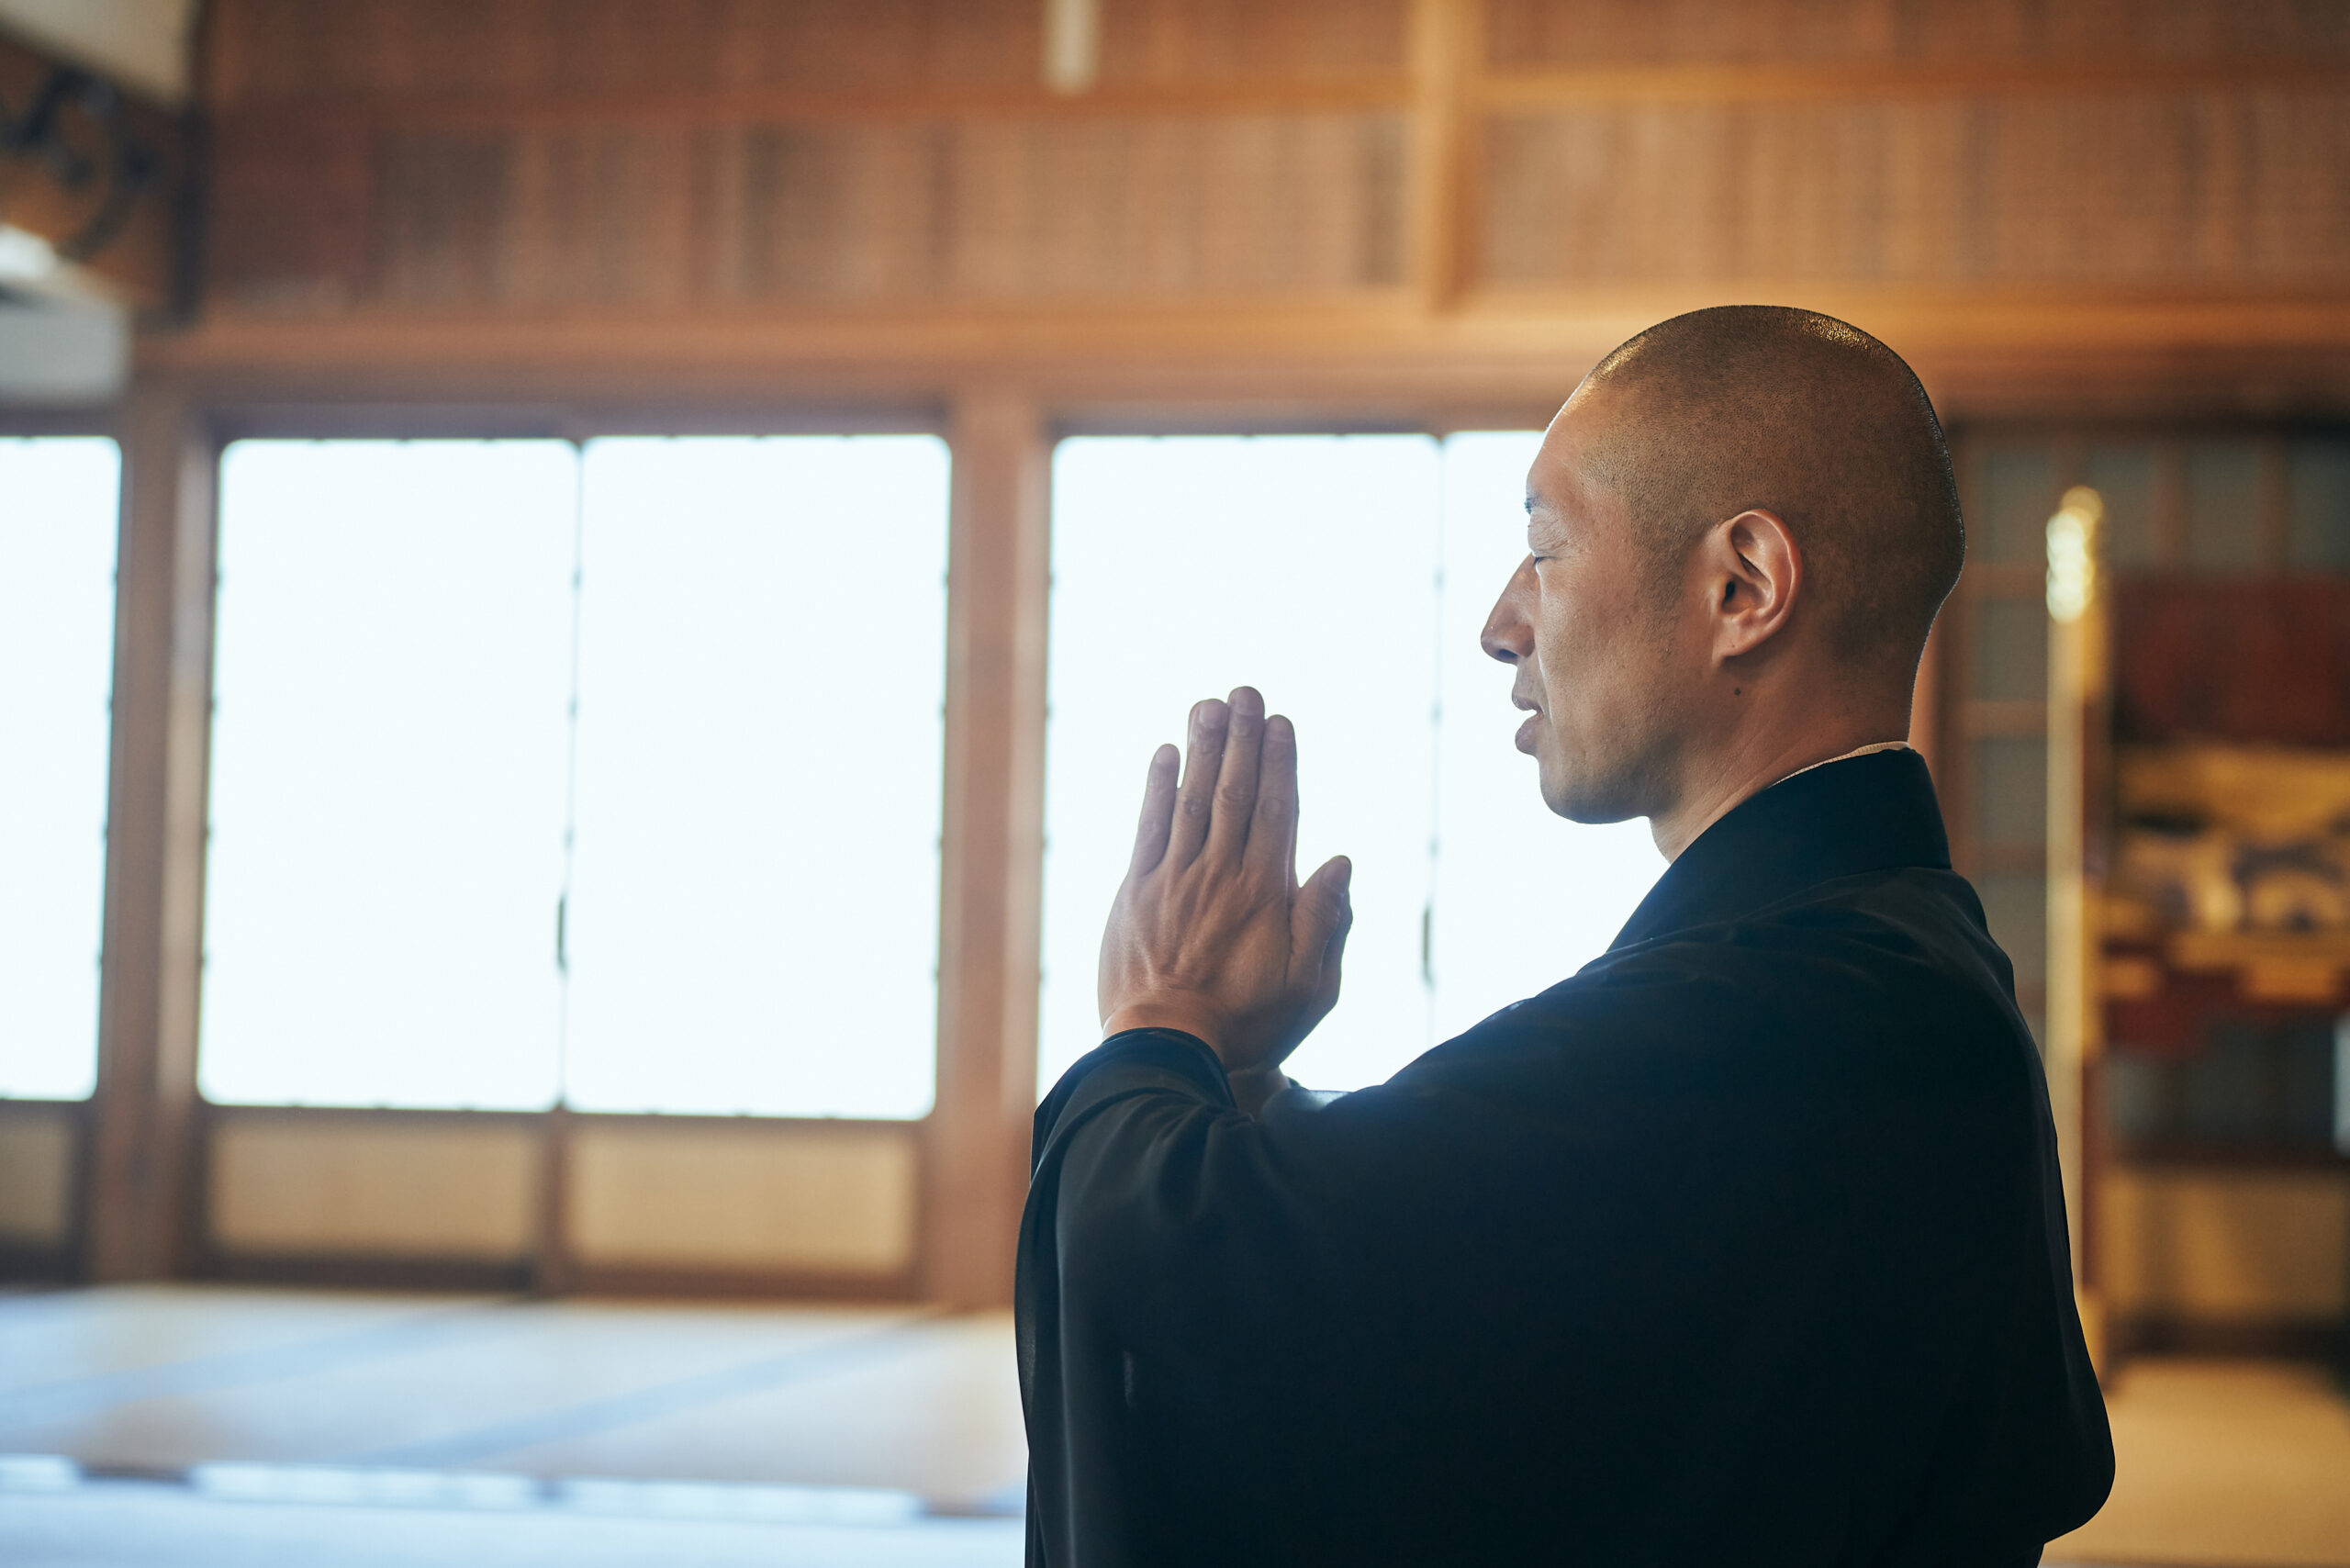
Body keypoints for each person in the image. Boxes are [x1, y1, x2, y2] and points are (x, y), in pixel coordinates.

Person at [1015, 306, 2113, 1566]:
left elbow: (1215, 1300)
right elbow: (1475, 1286)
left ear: (1742, 587)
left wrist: (1157, 1026)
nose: (1501, 620)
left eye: (1544, 546)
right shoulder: (1888, 974)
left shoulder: (1784, 1019)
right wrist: (1243, 1084)